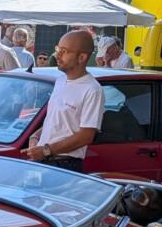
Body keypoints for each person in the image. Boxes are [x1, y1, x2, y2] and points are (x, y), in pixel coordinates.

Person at [22, 30, 104, 173]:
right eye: (58, 49)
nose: (57, 55)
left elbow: (86, 136)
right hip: (45, 160)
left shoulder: (92, 89)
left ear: (82, 57)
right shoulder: (60, 81)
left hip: (64, 164)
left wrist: (46, 150)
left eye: (64, 51)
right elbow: (58, 120)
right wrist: (36, 135)